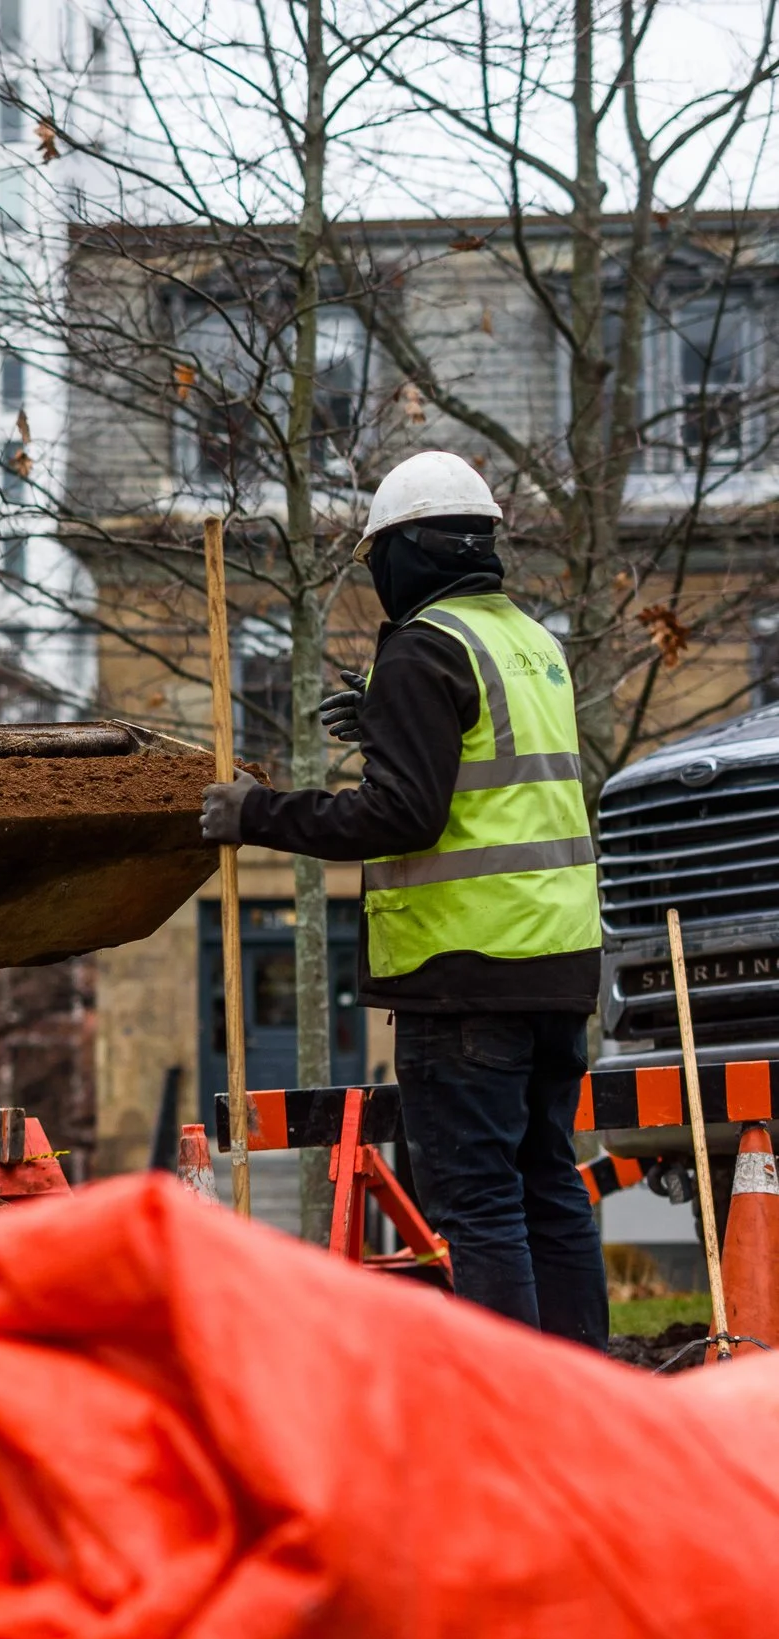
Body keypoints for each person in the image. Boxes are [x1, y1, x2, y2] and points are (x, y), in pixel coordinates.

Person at [200, 451, 608, 1347]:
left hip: (465, 979)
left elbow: (403, 814)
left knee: (482, 1203)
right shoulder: (533, 644)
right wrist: (390, 712)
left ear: (403, 553)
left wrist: (256, 813)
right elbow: (480, 775)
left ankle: (509, 1414)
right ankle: (592, 1400)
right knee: (550, 1185)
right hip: (557, 967)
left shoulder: (426, 648)